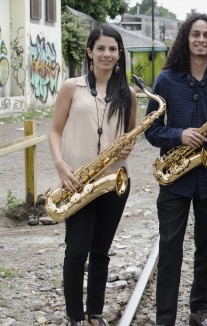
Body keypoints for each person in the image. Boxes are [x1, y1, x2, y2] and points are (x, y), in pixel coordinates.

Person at [144, 13, 207, 326]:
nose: (201, 39)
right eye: (196, 34)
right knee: (170, 248)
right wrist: (179, 134)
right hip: (175, 179)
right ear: (187, 38)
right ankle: (165, 318)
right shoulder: (166, 79)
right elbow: (150, 130)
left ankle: (199, 311)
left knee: (206, 248)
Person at [49, 24, 137, 326]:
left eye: (112, 49)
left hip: (114, 181)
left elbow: (130, 134)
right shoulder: (71, 87)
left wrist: (127, 148)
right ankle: (75, 316)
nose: (107, 54)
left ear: (119, 53)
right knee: (76, 251)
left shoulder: (129, 94)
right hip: (78, 181)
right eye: (100, 48)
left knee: (101, 251)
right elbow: (55, 130)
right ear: (89, 52)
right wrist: (61, 165)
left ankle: (95, 313)